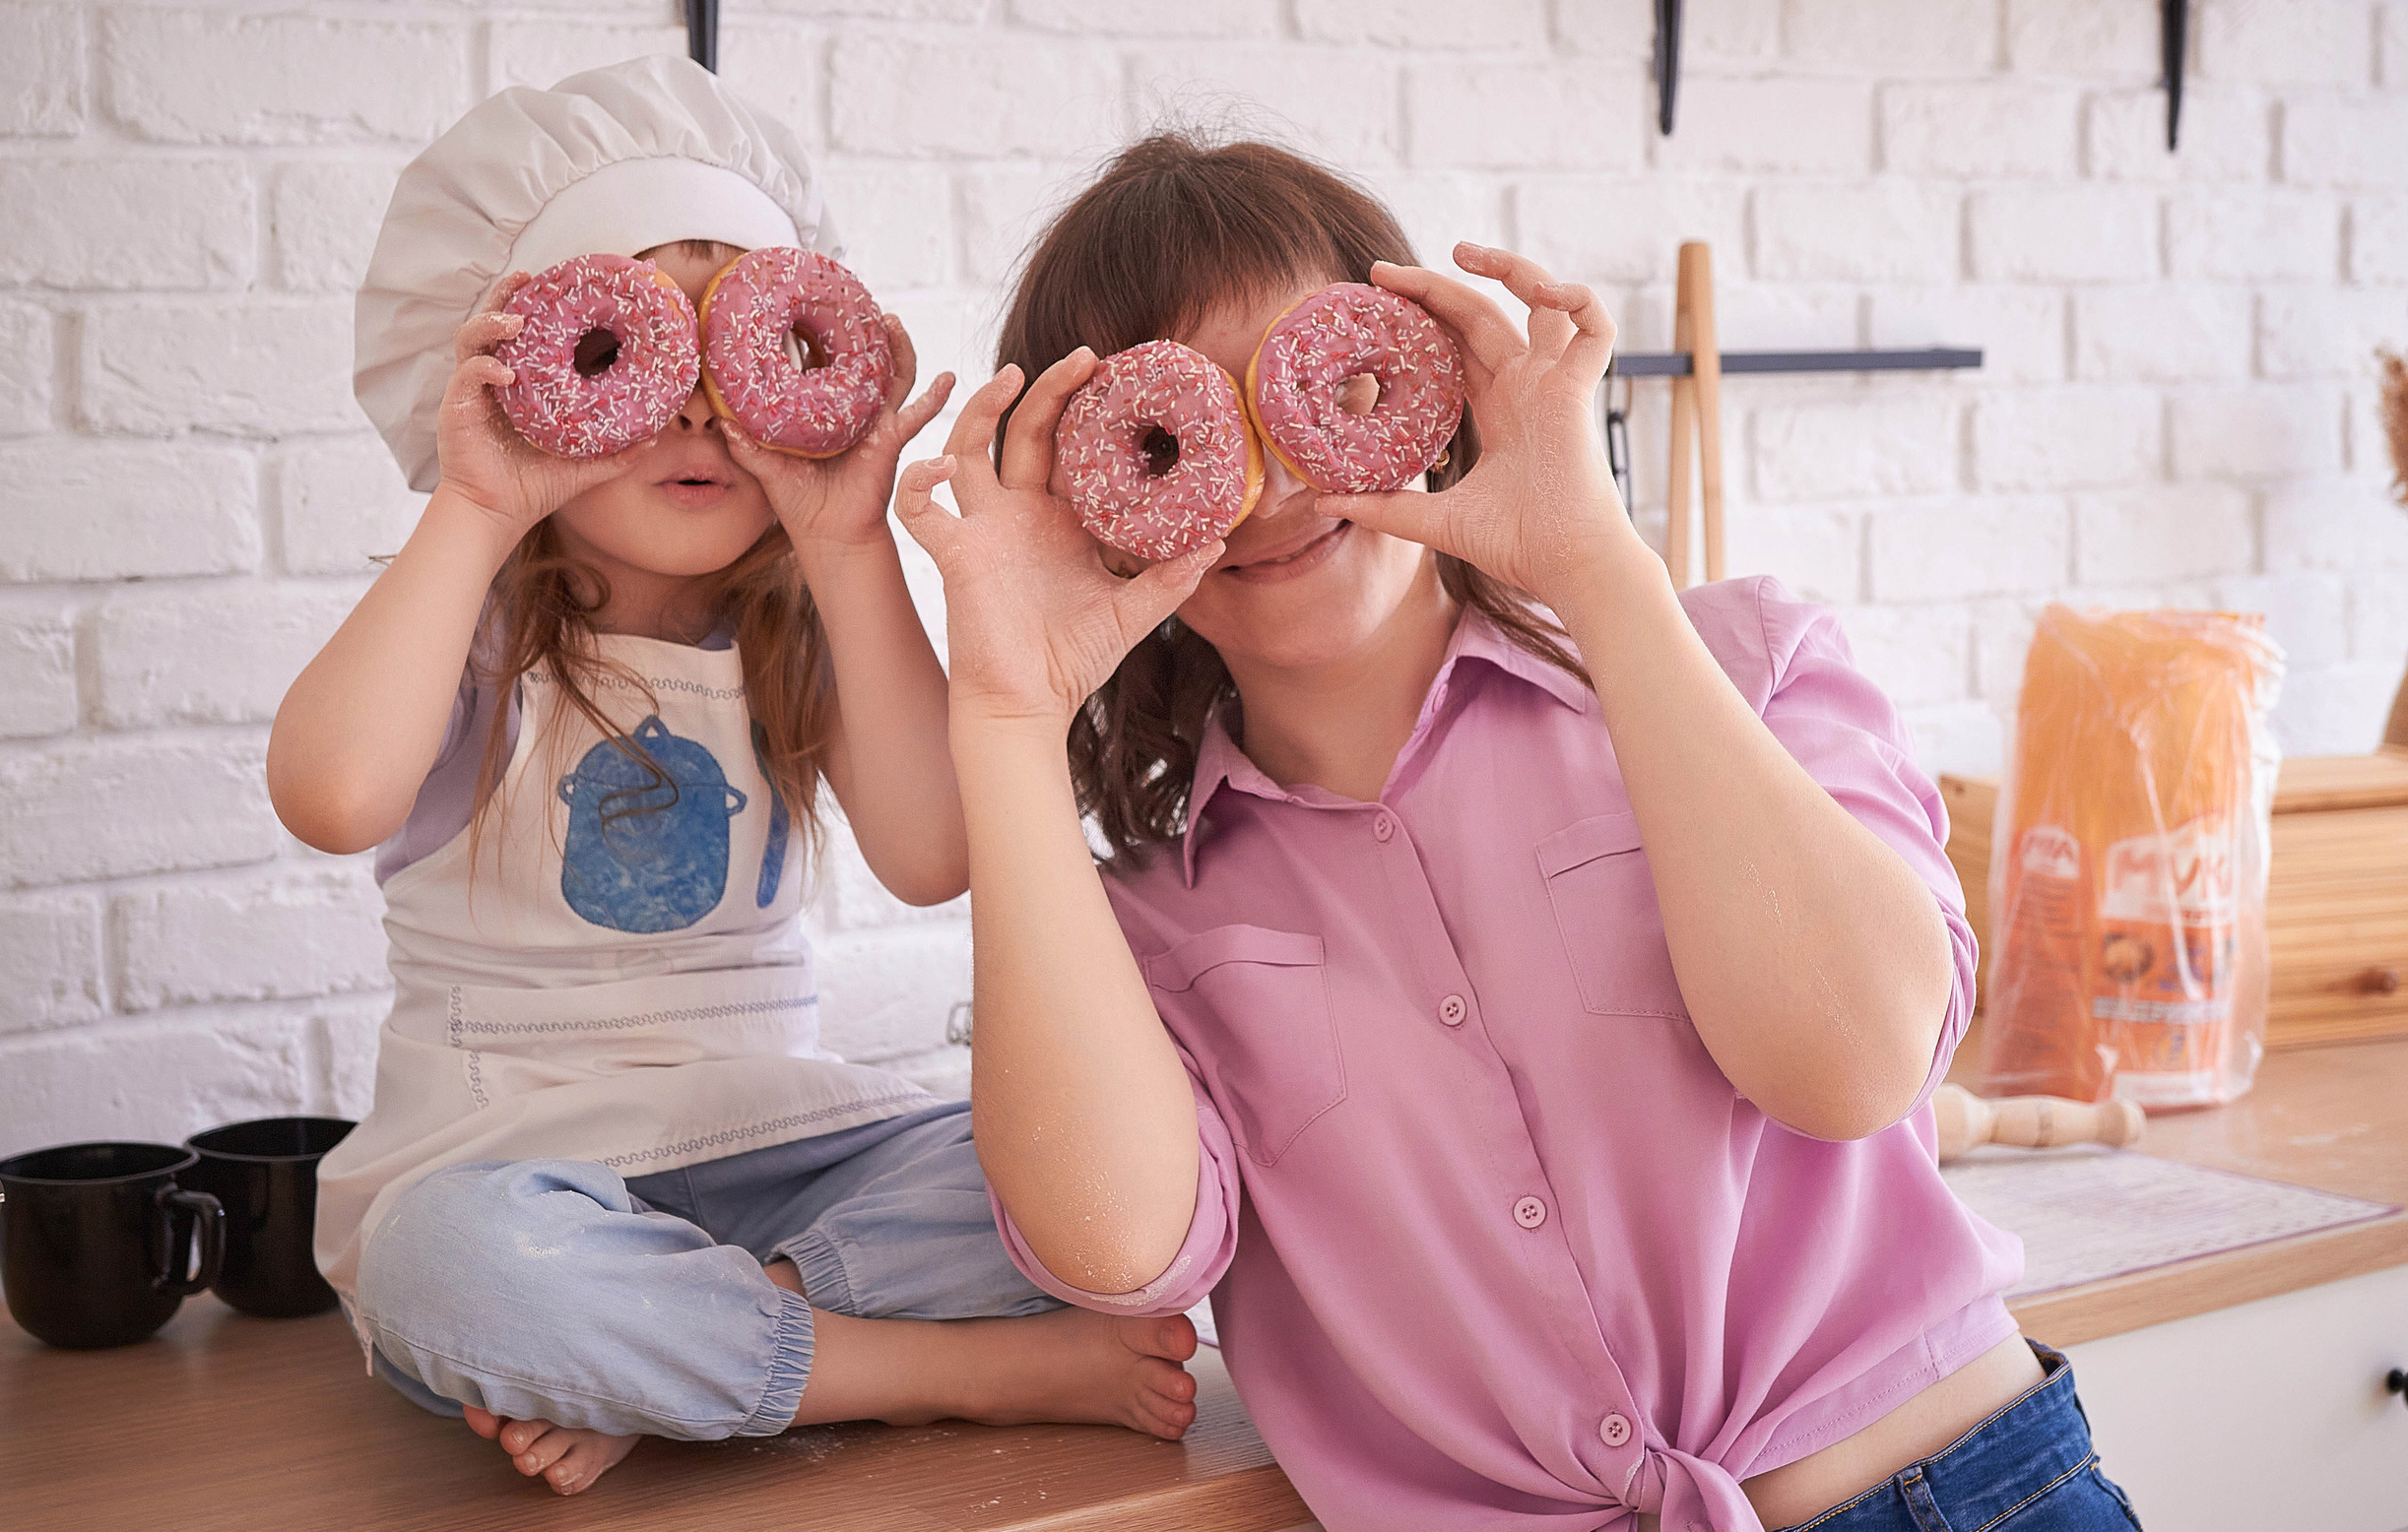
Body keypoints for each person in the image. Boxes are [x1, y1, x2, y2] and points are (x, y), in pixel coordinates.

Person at [895, 135, 2141, 1531]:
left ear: (1431, 386)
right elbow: (1117, 1250)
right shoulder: (1146, 929)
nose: (1277, 482)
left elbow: (1854, 1065)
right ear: (1100, 510)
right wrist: (1005, 715)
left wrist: (1594, 565)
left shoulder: (1742, 666)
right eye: (1183, 440)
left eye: (1327, 388)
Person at [269, 58, 1196, 1499]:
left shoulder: (798, 627)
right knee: (444, 1273)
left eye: (740, 363)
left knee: (1089, 1164)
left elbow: (936, 854)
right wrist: (473, 505)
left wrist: (846, 543)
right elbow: (329, 795)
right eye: (629, 364)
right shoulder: (479, 626)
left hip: (782, 1144)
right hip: (514, 1169)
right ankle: (920, 1372)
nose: (700, 414)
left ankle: (681, 1361)